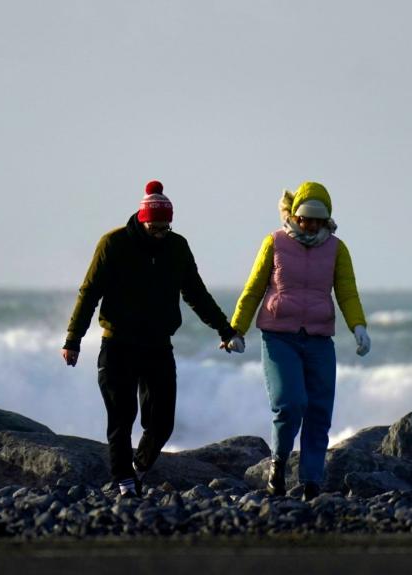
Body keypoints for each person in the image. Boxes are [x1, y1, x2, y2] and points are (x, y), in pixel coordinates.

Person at [62, 180, 237, 498]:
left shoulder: (177, 247)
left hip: (158, 346)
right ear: (143, 222)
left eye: (166, 227)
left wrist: (224, 330)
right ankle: (124, 482)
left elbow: (196, 294)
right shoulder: (113, 244)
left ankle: (138, 470)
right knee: (121, 418)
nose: (161, 233)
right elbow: (89, 294)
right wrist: (73, 339)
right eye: (156, 228)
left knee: (162, 424)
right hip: (118, 345)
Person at [224, 181, 370, 501]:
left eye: (317, 219)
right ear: (294, 214)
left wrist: (358, 325)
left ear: (326, 218)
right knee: (290, 404)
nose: (311, 224)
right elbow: (253, 289)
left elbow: (346, 291)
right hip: (279, 338)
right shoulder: (274, 243)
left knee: (318, 412)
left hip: (319, 340)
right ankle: (278, 464)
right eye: (306, 217)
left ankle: (311, 482)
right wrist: (235, 330)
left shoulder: (336, 249)